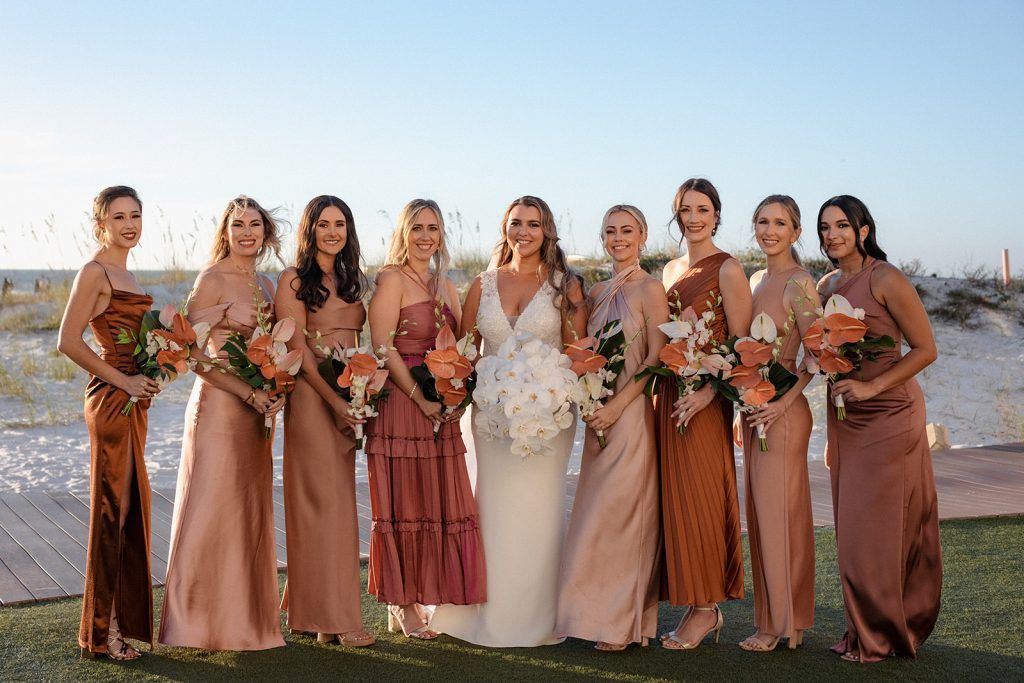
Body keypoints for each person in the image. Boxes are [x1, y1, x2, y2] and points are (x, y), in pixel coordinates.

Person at [431, 195, 587, 647]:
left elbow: (579, 352)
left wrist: (561, 397)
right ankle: (485, 612)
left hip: (549, 417)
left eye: (533, 224)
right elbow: (461, 354)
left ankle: (534, 617)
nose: (524, 232)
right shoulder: (483, 284)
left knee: (537, 509)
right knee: (492, 508)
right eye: (516, 223)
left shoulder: (565, 286)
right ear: (505, 228)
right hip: (492, 417)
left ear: (546, 231)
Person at [816, 195, 941, 663]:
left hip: (891, 413)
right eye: (825, 228)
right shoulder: (827, 285)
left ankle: (882, 636)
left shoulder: (886, 278)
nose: (833, 235)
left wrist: (872, 389)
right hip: (847, 418)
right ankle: (862, 630)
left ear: (864, 230)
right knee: (853, 531)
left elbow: (925, 349)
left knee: (879, 529)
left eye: (842, 226)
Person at [159, 196, 287, 651]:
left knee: (247, 513)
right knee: (210, 509)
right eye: (238, 225)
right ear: (226, 231)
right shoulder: (211, 279)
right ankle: (193, 625)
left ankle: (246, 622)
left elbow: (275, 351)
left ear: (266, 233)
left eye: (255, 224)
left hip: (258, 416)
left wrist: (274, 392)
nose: (247, 232)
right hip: (218, 410)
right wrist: (247, 392)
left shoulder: (269, 285)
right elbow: (190, 351)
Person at [364, 199, 486, 639]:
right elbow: (382, 346)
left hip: (441, 408)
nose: (425, 236)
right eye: (417, 227)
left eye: (433, 228)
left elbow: (462, 349)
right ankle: (402, 603)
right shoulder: (391, 278)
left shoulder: (445, 284)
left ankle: (431, 594)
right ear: (403, 232)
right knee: (403, 503)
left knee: (435, 504)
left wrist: (457, 397)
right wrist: (420, 398)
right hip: (402, 403)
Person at [556, 205, 668, 651]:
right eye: (610, 231)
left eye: (627, 231)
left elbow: (656, 359)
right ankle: (591, 615)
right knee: (595, 518)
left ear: (642, 236)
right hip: (597, 414)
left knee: (624, 518)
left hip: (631, 414)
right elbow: (581, 351)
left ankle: (623, 625)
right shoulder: (598, 290)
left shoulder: (651, 289)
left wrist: (617, 406)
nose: (618, 238)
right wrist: (588, 400)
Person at [58, 186, 159, 661]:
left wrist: (149, 377)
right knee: (110, 514)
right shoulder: (94, 271)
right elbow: (68, 341)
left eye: (135, 215)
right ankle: (102, 634)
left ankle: (115, 624)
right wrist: (124, 379)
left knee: (129, 510)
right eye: (119, 216)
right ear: (100, 222)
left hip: (131, 400)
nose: (129, 224)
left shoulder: (127, 271)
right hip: (110, 402)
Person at [275, 195, 374, 647]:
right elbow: (296, 351)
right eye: (324, 224)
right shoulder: (293, 280)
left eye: (341, 224)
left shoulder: (353, 280)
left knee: (338, 509)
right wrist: (333, 401)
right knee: (320, 506)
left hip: (350, 395)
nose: (333, 231)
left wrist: (361, 390)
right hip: (314, 400)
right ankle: (334, 621)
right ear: (309, 229)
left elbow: (364, 340)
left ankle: (319, 617)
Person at [658, 178, 751, 650]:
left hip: (703, 401)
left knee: (701, 499)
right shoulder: (670, 269)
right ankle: (689, 601)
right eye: (685, 210)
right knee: (674, 503)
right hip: (667, 397)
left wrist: (710, 395)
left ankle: (706, 608)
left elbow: (742, 346)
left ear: (717, 214)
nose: (693, 218)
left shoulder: (728, 269)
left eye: (702, 209)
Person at [738, 195, 817, 652]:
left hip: (783, 415)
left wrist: (782, 406)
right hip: (755, 411)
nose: (770, 230)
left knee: (780, 517)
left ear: (796, 232)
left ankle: (782, 625)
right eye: (763, 222)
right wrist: (744, 408)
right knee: (766, 518)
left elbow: (815, 356)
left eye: (780, 223)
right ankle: (785, 620)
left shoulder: (799, 282)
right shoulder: (756, 278)